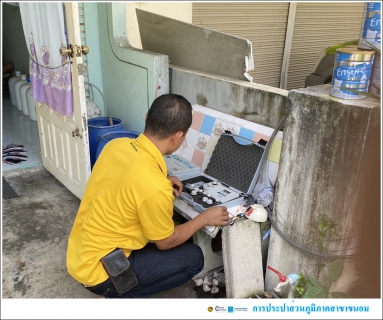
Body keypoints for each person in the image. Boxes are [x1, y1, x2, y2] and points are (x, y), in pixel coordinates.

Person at [66, 93, 230, 298]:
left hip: (80, 254)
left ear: (146, 118)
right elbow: (166, 242)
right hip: (101, 272)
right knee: (194, 257)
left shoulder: (116, 146)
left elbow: (126, 178)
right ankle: (120, 295)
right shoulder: (154, 186)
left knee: (178, 236)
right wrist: (204, 218)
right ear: (178, 135)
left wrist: (163, 179)